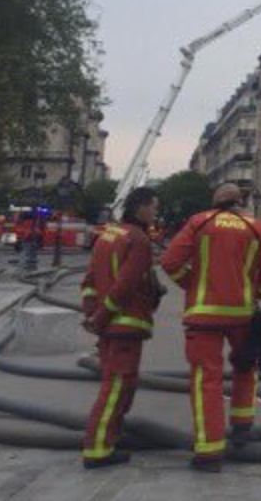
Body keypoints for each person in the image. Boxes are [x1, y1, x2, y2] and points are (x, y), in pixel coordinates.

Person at [161, 183, 261, 471]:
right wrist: (254, 295)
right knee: (245, 368)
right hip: (242, 314)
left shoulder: (200, 222)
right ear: (239, 202)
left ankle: (209, 450)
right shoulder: (256, 227)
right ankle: (242, 428)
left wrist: (190, 284)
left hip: (203, 315)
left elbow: (170, 261)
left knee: (206, 380)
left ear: (215, 202)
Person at [79, 187, 162, 470]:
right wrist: (101, 317)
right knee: (116, 388)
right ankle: (98, 448)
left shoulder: (108, 234)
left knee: (118, 386)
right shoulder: (138, 240)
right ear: (140, 207)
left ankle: (111, 437)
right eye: (153, 207)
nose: (155, 213)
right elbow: (125, 285)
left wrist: (92, 314)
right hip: (125, 324)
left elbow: (89, 280)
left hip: (107, 327)